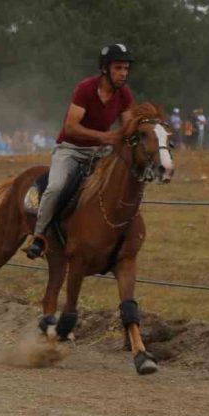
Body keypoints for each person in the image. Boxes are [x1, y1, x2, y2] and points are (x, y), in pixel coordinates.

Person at [25, 44, 135, 259]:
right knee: (56, 188)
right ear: (105, 69)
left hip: (101, 153)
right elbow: (71, 127)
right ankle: (39, 236)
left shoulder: (124, 95)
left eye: (126, 69)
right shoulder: (85, 88)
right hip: (70, 149)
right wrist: (104, 137)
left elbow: (127, 128)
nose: (123, 73)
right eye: (118, 68)